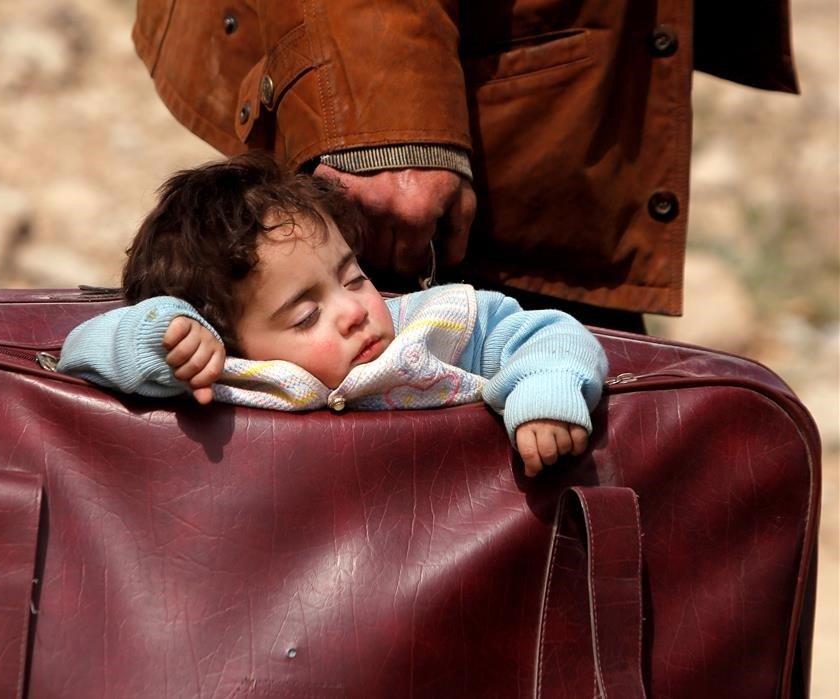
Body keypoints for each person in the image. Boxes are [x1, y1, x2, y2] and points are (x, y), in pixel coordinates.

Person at [131, 1, 798, 331]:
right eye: (308, 313)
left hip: (552, 118)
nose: (347, 318)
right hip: (425, 155)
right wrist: (379, 119)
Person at [58, 155, 608, 476]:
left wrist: (545, 394)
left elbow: (552, 333)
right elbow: (78, 353)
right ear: (230, 340)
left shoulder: (434, 326)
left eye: (352, 277)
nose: (352, 311)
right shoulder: (224, 374)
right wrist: (167, 335)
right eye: (304, 317)